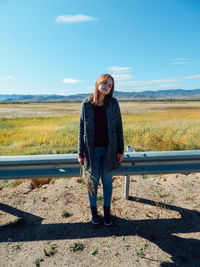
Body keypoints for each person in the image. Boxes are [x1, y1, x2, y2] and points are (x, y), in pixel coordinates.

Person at [78, 74, 124, 226]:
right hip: (92, 152)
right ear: (97, 83)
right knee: (92, 183)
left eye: (110, 85)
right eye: (104, 83)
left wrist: (120, 149)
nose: (106, 86)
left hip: (109, 150)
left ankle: (107, 213)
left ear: (111, 89)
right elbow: (81, 129)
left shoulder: (113, 103)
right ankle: (94, 213)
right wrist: (80, 152)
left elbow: (119, 127)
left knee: (107, 183)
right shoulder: (86, 104)